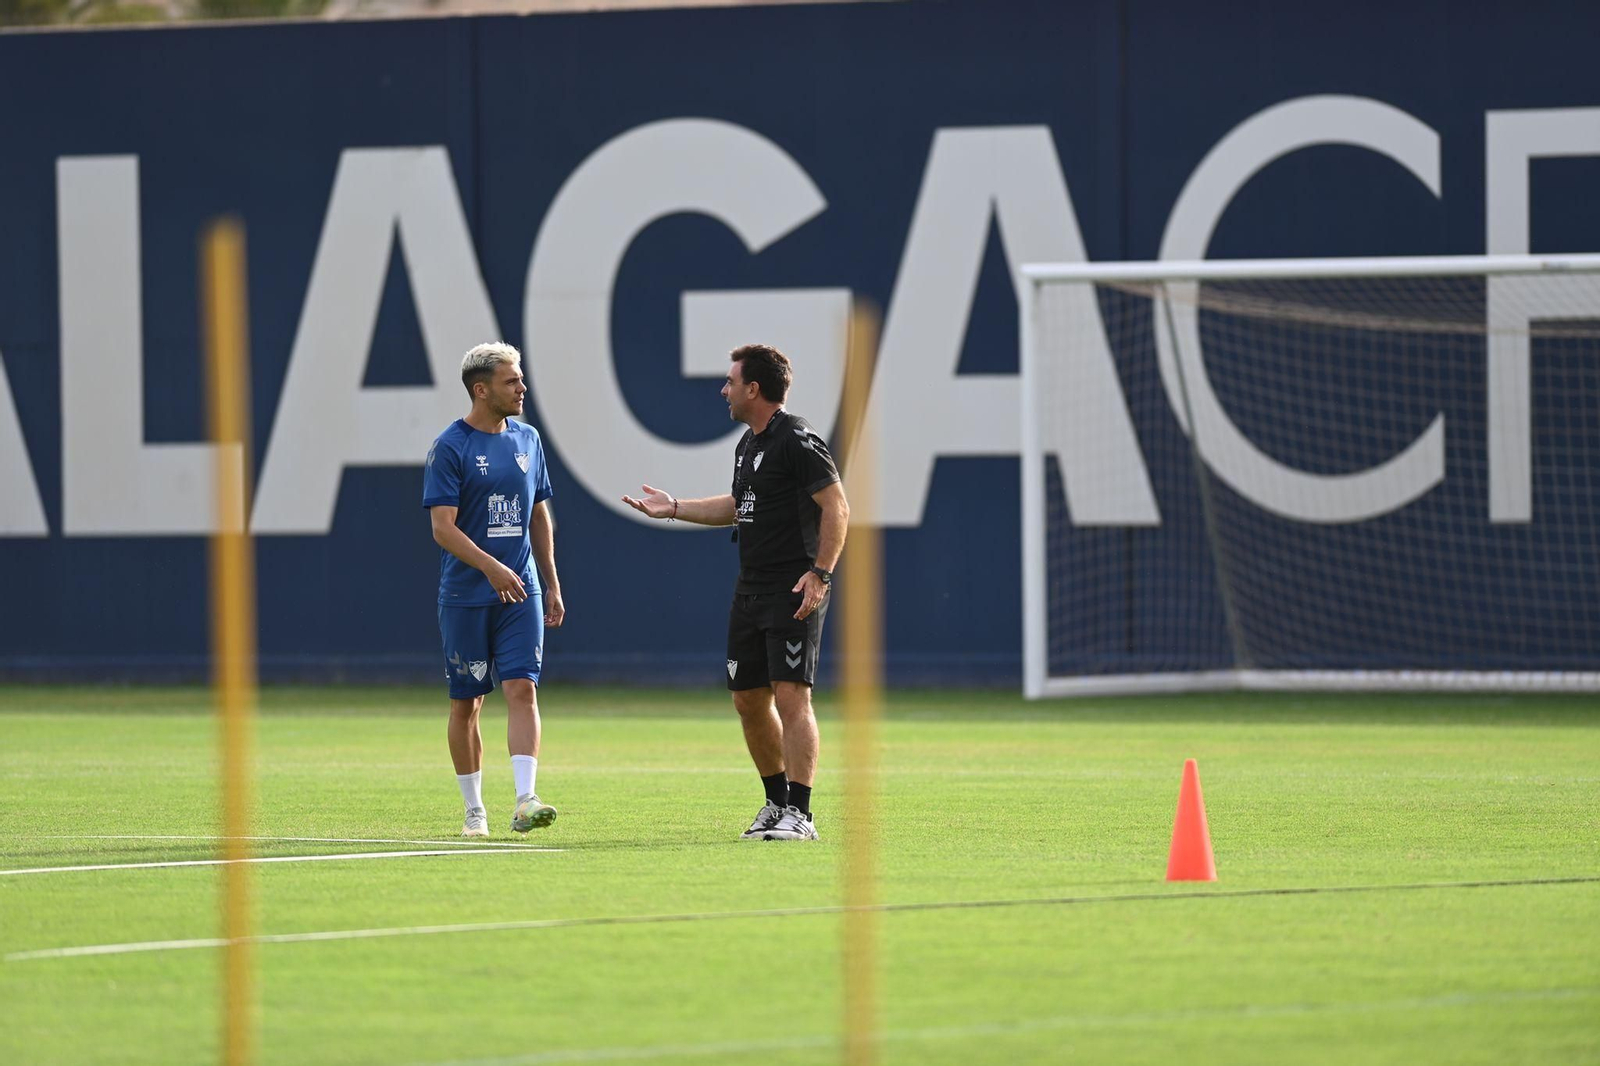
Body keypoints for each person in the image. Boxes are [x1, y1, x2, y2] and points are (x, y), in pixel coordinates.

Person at [624, 343, 849, 842]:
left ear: (754, 388)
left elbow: (837, 507)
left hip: (793, 588)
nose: (723, 390)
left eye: (730, 381)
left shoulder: (798, 438)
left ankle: (801, 814)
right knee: (748, 699)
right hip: (750, 588)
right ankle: (776, 802)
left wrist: (821, 574)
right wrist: (675, 507)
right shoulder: (748, 444)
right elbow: (737, 505)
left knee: (792, 697)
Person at [423, 342, 565, 838]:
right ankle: (474, 811)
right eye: (512, 381)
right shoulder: (450, 447)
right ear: (481, 390)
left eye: (520, 378)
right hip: (466, 596)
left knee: (522, 688)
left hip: (520, 590)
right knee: (467, 703)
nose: (523, 387)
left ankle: (526, 800)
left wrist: (550, 581)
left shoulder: (528, 439)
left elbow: (539, 515)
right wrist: (490, 568)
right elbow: (442, 528)